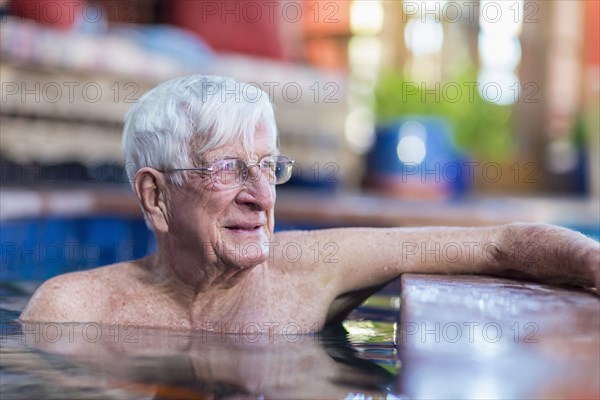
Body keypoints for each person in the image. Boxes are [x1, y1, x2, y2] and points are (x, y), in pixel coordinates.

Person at [20, 75, 600, 333]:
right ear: (155, 195)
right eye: (228, 168)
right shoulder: (71, 310)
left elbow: (497, 243)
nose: (261, 194)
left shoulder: (313, 272)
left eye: (269, 167)